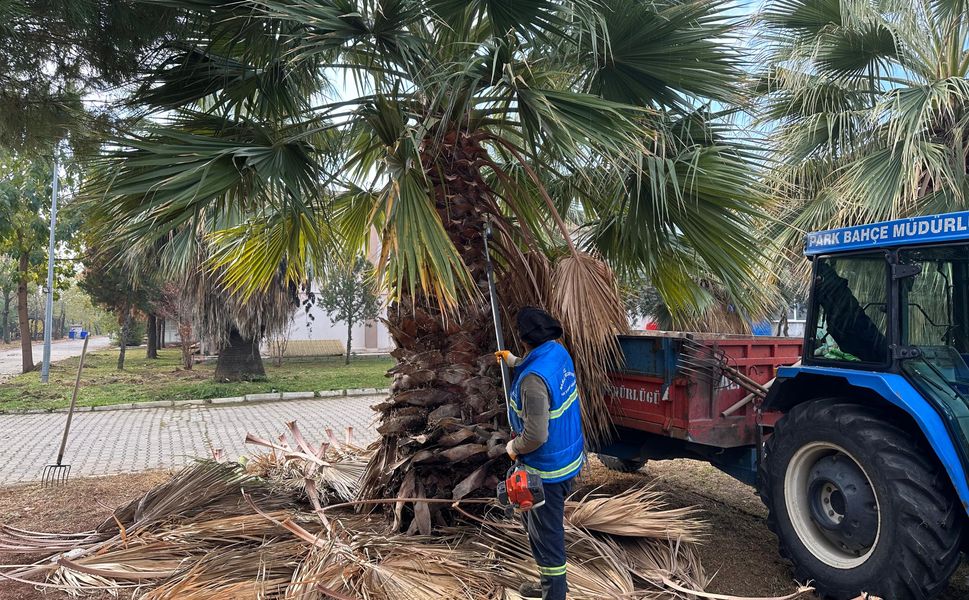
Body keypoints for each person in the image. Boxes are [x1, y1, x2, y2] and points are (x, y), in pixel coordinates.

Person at [496, 307, 585, 600]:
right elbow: (539, 366)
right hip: (568, 458)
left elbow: (535, 435)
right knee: (544, 533)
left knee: (547, 538)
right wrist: (514, 363)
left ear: (523, 339)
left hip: (546, 469)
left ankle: (553, 593)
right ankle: (550, 585)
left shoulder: (532, 382)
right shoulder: (557, 353)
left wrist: (513, 447)